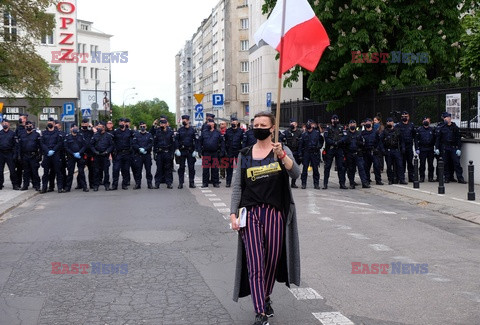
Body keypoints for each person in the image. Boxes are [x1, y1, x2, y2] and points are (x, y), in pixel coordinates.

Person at [230, 111, 300, 325]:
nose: (257, 127)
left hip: (274, 214)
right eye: (255, 124)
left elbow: (295, 173)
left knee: (271, 260)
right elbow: (237, 186)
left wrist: (282, 156)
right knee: (255, 263)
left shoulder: (282, 150)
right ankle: (260, 312)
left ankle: (265, 295)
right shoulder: (245, 154)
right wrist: (233, 213)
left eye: (262, 124)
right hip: (250, 214)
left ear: (272, 128)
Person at [435, 112, 467, 183]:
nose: (445, 119)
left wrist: (459, 148)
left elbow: (458, 139)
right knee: (445, 163)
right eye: (444, 118)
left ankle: (460, 178)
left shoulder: (455, 127)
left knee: (456, 163)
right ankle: (447, 177)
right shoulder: (442, 127)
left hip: (453, 147)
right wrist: (436, 148)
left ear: (449, 118)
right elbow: (438, 139)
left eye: (446, 117)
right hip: (445, 147)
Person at [343, 120, 370, 189]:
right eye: (351, 123)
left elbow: (363, 142)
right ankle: (352, 183)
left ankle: (364, 183)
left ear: (356, 125)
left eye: (354, 123)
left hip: (358, 153)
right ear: (349, 125)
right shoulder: (346, 134)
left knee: (361, 168)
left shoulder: (359, 133)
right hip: (349, 154)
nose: (352, 125)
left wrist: (360, 144)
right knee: (351, 169)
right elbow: (343, 143)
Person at [40, 117, 64, 193]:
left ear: (54, 123)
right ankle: (44, 187)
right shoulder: (43, 133)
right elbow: (42, 143)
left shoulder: (58, 133)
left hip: (55, 154)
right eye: (48, 122)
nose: (50, 123)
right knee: (46, 172)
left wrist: (53, 150)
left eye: (51, 122)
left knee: (58, 172)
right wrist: (47, 150)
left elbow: (59, 143)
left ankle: (60, 188)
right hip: (47, 154)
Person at [380, 117, 407, 185]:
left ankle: (401, 179)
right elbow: (381, 141)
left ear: (393, 122)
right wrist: (383, 149)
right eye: (388, 122)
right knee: (389, 166)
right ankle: (390, 179)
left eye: (390, 121)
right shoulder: (384, 131)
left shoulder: (397, 130)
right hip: (388, 151)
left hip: (396, 150)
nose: (389, 123)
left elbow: (402, 140)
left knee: (400, 165)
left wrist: (403, 148)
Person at [199, 118, 225, 188]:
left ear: (213, 124)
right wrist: (200, 152)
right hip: (206, 153)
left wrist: (222, 152)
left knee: (215, 169)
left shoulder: (217, 133)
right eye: (208, 123)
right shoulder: (204, 132)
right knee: (205, 169)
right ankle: (205, 183)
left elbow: (222, 143)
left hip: (215, 153)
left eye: (211, 123)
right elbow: (199, 143)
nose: (209, 124)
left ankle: (215, 182)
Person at [323, 115, 347, 189]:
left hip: (339, 149)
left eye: (336, 119)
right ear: (331, 120)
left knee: (340, 167)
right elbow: (326, 138)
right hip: (331, 148)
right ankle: (325, 183)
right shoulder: (328, 128)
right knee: (327, 166)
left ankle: (342, 183)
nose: (335, 120)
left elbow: (345, 137)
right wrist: (333, 142)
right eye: (334, 119)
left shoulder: (341, 128)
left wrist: (339, 142)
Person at [298, 119, 324, 189]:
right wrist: (300, 154)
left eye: (311, 124)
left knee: (315, 169)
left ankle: (316, 184)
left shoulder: (316, 133)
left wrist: (319, 147)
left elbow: (321, 141)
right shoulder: (304, 134)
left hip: (314, 153)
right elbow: (301, 145)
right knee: (305, 169)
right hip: (306, 152)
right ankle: (303, 184)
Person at [175, 115, 198, 189]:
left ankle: (191, 182)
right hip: (182, 151)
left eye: (185, 120)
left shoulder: (193, 130)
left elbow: (197, 140)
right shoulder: (180, 130)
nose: (183, 121)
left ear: (188, 120)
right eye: (183, 120)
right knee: (181, 167)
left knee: (191, 168)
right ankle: (181, 183)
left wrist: (196, 150)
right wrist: (177, 149)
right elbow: (176, 140)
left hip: (190, 151)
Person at [64, 124, 89, 192]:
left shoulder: (81, 136)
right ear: (70, 129)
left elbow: (84, 145)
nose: (74, 128)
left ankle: (84, 187)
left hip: (79, 156)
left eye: (75, 127)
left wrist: (80, 152)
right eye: (73, 127)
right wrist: (72, 153)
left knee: (81, 172)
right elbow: (66, 147)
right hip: (71, 156)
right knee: (70, 172)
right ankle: (68, 187)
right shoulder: (67, 137)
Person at [18, 121, 41, 191]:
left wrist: (39, 155)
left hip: (33, 155)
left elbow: (40, 145)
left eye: (30, 126)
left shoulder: (36, 134)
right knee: (25, 172)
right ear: (25, 127)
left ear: (32, 126)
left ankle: (37, 185)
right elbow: (19, 146)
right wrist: (19, 155)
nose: (29, 127)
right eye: (27, 126)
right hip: (25, 155)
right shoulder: (22, 135)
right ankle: (25, 185)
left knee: (34, 172)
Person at [91, 121, 114, 191]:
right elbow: (91, 145)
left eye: (100, 127)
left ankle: (106, 185)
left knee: (106, 171)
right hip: (97, 155)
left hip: (105, 155)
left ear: (104, 127)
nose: (99, 128)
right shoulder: (95, 135)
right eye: (98, 127)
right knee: (96, 171)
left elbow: (111, 145)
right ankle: (96, 185)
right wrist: (95, 151)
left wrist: (107, 151)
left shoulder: (108, 135)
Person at [280, 117, 303, 188]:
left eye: (293, 123)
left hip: (296, 152)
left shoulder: (299, 132)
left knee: (294, 167)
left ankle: (293, 183)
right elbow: (280, 138)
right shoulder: (286, 132)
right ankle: (286, 183)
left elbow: (301, 143)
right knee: (286, 167)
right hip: (288, 152)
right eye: (291, 123)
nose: (292, 124)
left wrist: (300, 153)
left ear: (296, 124)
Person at [111, 118, 134, 190]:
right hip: (118, 154)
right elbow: (111, 141)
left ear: (125, 123)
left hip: (127, 153)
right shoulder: (115, 132)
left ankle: (124, 184)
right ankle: (114, 185)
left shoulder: (129, 132)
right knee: (116, 169)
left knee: (126, 170)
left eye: (123, 122)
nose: (121, 123)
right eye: (120, 122)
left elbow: (134, 140)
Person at [153, 118, 175, 189]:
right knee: (159, 168)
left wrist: (172, 153)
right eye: (161, 124)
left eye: (163, 124)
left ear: (166, 124)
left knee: (168, 168)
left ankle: (169, 183)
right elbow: (155, 143)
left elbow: (173, 143)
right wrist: (154, 153)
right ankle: (157, 183)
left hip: (167, 152)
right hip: (160, 152)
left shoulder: (170, 132)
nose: (161, 125)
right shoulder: (157, 132)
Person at [132, 121, 154, 189]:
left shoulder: (149, 135)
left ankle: (149, 184)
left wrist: (145, 149)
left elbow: (151, 144)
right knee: (138, 170)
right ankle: (138, 184)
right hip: (138, 155)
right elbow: (134, 144)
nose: (142, 128)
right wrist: (139, 149)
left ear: (146, 127)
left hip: (147, 155)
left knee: (148, 170)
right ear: (139, 127)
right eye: (141, 127)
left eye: (144, 126)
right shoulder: (136, 135)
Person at [361, 118, 383, 185]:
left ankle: (378, 180)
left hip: (374, 151)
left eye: (369, 122)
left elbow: (379, 141)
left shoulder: (375, 132)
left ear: (371, 123)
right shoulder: (362, 133)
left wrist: (378, 149)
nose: (368, 124)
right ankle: (367, 179)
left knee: (376, 166)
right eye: (366, 122)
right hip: (366, 151)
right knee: (366, 167)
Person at [395, 111, 416, 182]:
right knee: (402, 163)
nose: (404, 118)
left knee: (410, 162)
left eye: (406, 116)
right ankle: (401, 177)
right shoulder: (398, 125)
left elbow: (414, 136)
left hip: (409, 146)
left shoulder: (411, 125)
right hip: (401, 146)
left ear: (408, 117)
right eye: (403, 116)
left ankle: (411, 177)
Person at [224, 117, 244, 187]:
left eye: (234, 121)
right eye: (232, 121)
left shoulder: (241, 131)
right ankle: (228, 182)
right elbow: (225, 141)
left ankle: (241, 182)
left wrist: (242, 150)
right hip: (230, 151)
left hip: (238, 151)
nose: (233, 122)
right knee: (229, 167)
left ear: (237, 122)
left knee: (239, 167)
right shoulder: (228, 131)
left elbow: (243, 141)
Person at [0, 119, 19, 190]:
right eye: (3, 123)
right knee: (0, 170)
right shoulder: (0, 133)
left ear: (9, 124)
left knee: (12, 170)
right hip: (1, 153)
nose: (5, 124)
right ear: (2, 124)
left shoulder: (12, 133)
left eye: (6, 123)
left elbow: (15, 145)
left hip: (9, 153)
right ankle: (0, 184)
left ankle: (15, 185)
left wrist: (15, 154)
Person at [415, 116, 436, 182]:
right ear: (422, 122)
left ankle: (431, 177)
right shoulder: (419, 129)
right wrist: (417, 148)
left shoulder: (432, 129)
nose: (426, 122)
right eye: (425, 121)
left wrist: (436, 148)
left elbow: (435, 139)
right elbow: (416, 140)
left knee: (431, 164)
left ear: (429, 122)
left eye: (427, 121)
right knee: (422, 164)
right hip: (422, 149)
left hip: (430, 149)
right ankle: (422, 177)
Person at [80, 119, 95, 189]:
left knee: (91, 169)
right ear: (81, 124)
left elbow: (96, 132)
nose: (84, 125)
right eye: (83, 124)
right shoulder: (79, 132)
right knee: (81, 170)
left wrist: (91, 126)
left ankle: (91, 184)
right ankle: (81, 184)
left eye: (86, 124)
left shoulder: (90, 132)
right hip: (82, 153)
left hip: (90, 153)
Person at [14, 113, 28, 188]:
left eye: (21, 118)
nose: (20, 119)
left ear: (25, 119)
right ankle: (18, 184)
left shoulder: (28, 128)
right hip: (19, 152)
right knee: (18, 169)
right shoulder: (18, 128)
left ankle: (31, 183)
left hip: (26, 152)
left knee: (28, 169)